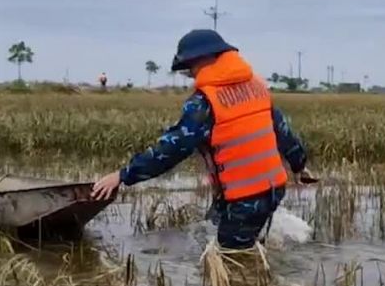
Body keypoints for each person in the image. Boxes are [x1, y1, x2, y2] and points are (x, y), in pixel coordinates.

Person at [91, 29, 315, 249]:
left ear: (206, 59)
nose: (191, 73)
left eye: (191, 66)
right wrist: (299, 165)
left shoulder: (205, 103)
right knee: (215, 227)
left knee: (231, 259)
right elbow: (283, 131)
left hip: (245, 198)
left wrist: (123, 175)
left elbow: (172, 148)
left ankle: (251, 282)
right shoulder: (256, 88)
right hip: (272, 187)